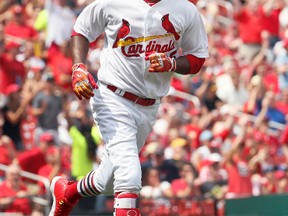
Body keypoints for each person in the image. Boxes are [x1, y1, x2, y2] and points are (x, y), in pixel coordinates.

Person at [48, 0, 208, 215]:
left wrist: (172, 63)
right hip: (113, 96)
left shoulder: (185, 9)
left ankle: (68, 193)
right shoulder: (114, 2)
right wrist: (78, 66)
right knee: (130, 177)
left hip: (150, 105)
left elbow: (197, 57)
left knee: (109, 182)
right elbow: (82, 29)